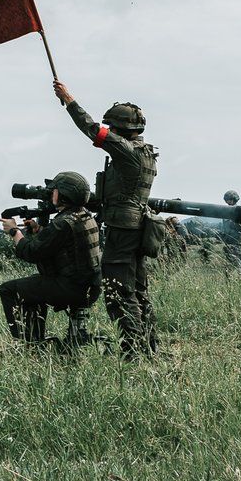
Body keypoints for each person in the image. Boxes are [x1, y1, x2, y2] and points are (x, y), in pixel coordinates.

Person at [53, 80, 159, 358]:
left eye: (112, 128)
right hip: (134, 226)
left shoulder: (127, 151)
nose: (108, 132)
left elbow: (91, 129)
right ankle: (148, 346)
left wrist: (69, 101)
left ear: (120, 130)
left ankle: (133, 351)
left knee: (118, 291)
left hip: (123, 229)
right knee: (137, 289)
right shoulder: (146, 153)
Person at [0, 170, 101, 349]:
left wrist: (15, 232)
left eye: (54, 190)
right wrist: (38, 230)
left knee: (8, 290)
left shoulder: (63, 223)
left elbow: (30, 252)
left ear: (63, 194)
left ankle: (30, 345)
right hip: (89, 286)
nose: (51, 193)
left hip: (70, 287)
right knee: (32, 287)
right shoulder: (84, 216)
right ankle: (36, 341)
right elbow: (61, 245)